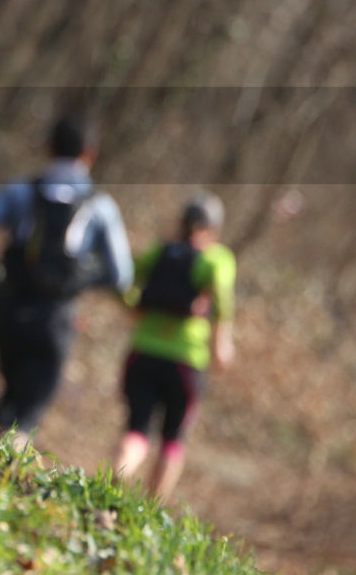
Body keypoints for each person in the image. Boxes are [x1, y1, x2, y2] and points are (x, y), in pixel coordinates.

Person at [0, 114, 134, 446]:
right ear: (90, 153)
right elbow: (122, 276)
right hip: (55, 318)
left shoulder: (20, 190)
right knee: (27, 412)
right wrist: (79, 281)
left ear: (48, 148)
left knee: (10, 396)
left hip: (9, 307)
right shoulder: (100, 206)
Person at [112, 192, 236, 499]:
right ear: (215, 227)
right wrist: (221, 343)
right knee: (173, 439)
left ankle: (111, 490)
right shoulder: (216, 258)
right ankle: (149, 513)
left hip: (142, 352)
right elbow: (222, 300)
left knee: (136, 431)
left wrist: (133, 306)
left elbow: (122, 278)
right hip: (186, 360)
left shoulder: (159, 251)